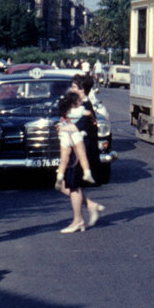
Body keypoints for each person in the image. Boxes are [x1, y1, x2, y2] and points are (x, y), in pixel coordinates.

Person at [54, 89, 104, 233]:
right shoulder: (75, 106)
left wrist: (63, 128)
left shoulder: (84, 107)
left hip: (78, 151)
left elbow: (77, 127)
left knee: (73, 185)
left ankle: (78, 220)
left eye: (75, 86)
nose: (71, 88)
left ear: (82, 90)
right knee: (64, 186)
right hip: (71, 148)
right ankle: (90, 205)